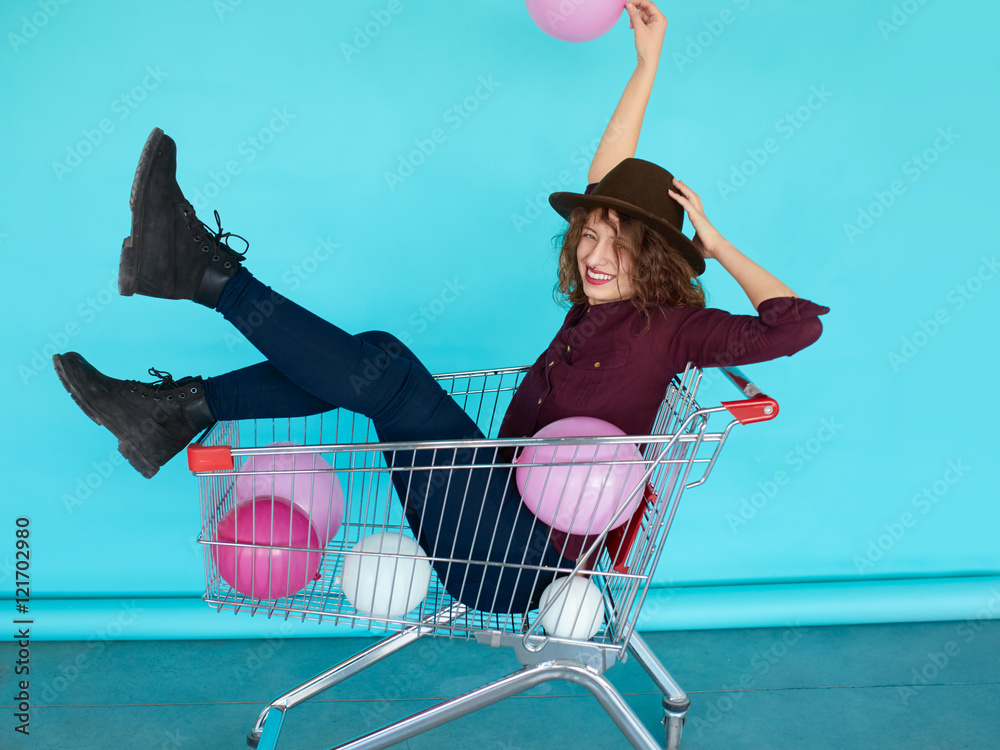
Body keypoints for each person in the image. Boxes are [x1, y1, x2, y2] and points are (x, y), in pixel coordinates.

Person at [52, 0, 828, 615]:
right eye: (590, 235)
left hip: (523, 565)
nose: (594, 255)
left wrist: (717, 246)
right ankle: (180, 400)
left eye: (618, 246)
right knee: (379, 355)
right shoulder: (593, 307)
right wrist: (646, 64)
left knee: (384, 374)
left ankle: (206, 286)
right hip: (495, 508)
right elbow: (608, 180)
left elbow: (795, 326)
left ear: (655, 261)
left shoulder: (678, 330)